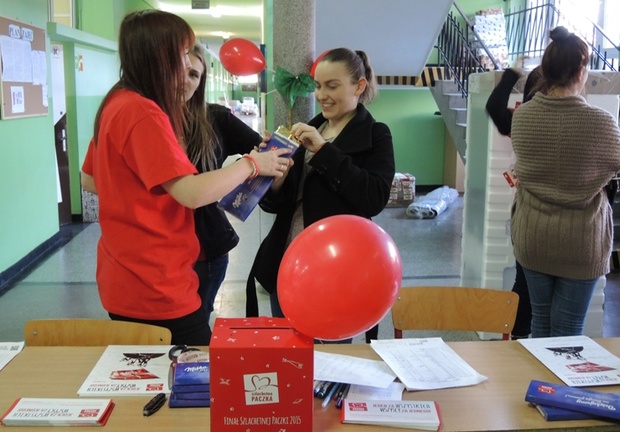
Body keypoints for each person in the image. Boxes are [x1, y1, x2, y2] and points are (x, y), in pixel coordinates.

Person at [80, 9, 291, 345]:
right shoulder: (144, 112)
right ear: (159, 56)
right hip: (156, 283)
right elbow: (191, 193)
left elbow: (90, 178)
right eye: (182, 54)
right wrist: (252, 164)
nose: (187, 66)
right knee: (195, 382)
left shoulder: (116, 103)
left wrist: (135, 199)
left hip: (123, 274)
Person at [245, 48, 396, 343]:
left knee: (330, 362)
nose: (321, 95)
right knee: (289, 351)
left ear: (359, 86)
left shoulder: (376, 134)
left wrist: (325, 151)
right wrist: (275, 174)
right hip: (288, 262)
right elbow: (279, 203)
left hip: (336, 271)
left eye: (332, 85)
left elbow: (374, 198)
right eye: (317, 85)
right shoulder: (311, 128)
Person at [510, 26, 620, 338]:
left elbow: (527, 166)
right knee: (567, 331)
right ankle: (560, 388)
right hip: (581, 241)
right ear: (580, 71)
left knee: (540, 323)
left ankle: (539, 389)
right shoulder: (602, 122)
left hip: (533, 235)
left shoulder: (522, 117)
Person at [184, 44, 264, 320]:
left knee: (196, 320)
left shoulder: (215, 118)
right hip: (157, 253)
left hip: (205, 249)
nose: (185, 80)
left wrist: (245, 193)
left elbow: (264, 150)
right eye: (179, 70)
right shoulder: (145, 120)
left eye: (194, 74)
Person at [485, 62, 541, 339]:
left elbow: (494, 107)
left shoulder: (522, 118)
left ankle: (518, 338)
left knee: (526, 282)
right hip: (569, 223)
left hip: (528, 214)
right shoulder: (583, 121)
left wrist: (510, 76)